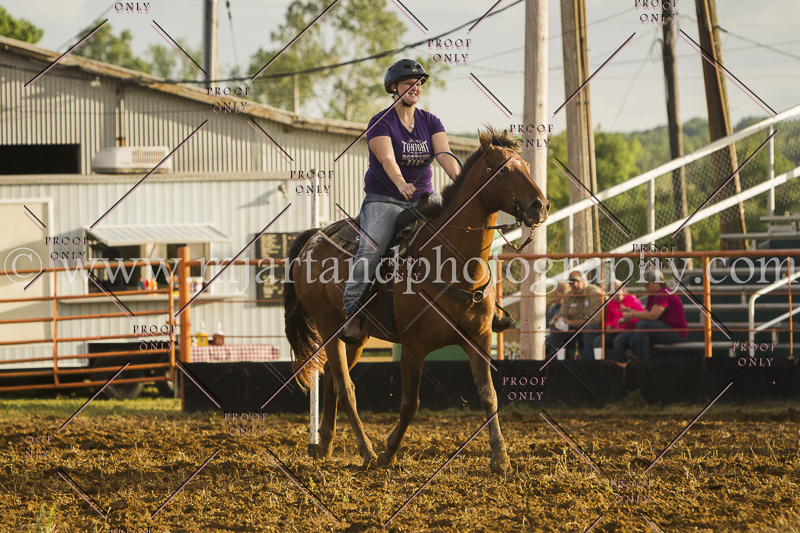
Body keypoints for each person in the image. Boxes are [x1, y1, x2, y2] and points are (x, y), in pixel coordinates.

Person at [339, 59, 514, 344]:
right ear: (394, 88)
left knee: (465, 236)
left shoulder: (430, 121)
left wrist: (460, 181)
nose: (415, 88)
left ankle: (488, 304)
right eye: (409, 83)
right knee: (372, 249)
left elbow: (443, 154)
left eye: (419, 83)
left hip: (424, 198)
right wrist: (400, 183)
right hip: (385, 198)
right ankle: (352, 312)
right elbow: (387, 159)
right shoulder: (380, 122)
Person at [616, 269, 688, 360]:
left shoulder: (663, 293)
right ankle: (637, 360)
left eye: (647, 284)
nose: (645, 287)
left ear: (657, 282)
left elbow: (653, 316)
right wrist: (631, 311)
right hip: (664, 329)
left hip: (676, 332)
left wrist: (633, 314)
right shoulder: (653, 294)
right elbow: (647, 313)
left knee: (642, 325)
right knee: (633, 340)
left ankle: (643, 360)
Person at [546, 271, 605, 360]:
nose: (574, 285)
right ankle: (560, 363)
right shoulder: (568, 296)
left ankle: (588, 363)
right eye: (571, 282)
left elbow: (594, 320)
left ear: (584, 281)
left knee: (589, 328)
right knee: (555, 331)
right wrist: (555, 322)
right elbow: (562, 315)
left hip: (596, 328)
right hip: (575, 329)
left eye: (577, 281)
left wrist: (570, 322)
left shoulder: (595, 293)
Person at [593, 280, 643, 360]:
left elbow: (640, 317)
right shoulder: (611, 303)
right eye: (613, 295)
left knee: (618, 340)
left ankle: (621, 362)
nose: (616, 297)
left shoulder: (633, 300)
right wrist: (608, 326)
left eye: (618, 293)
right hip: (614, 331)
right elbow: (609, 319)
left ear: (623, 290)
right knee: (598, 341)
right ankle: (600, 362)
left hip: (628, 330)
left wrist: (625, 320)